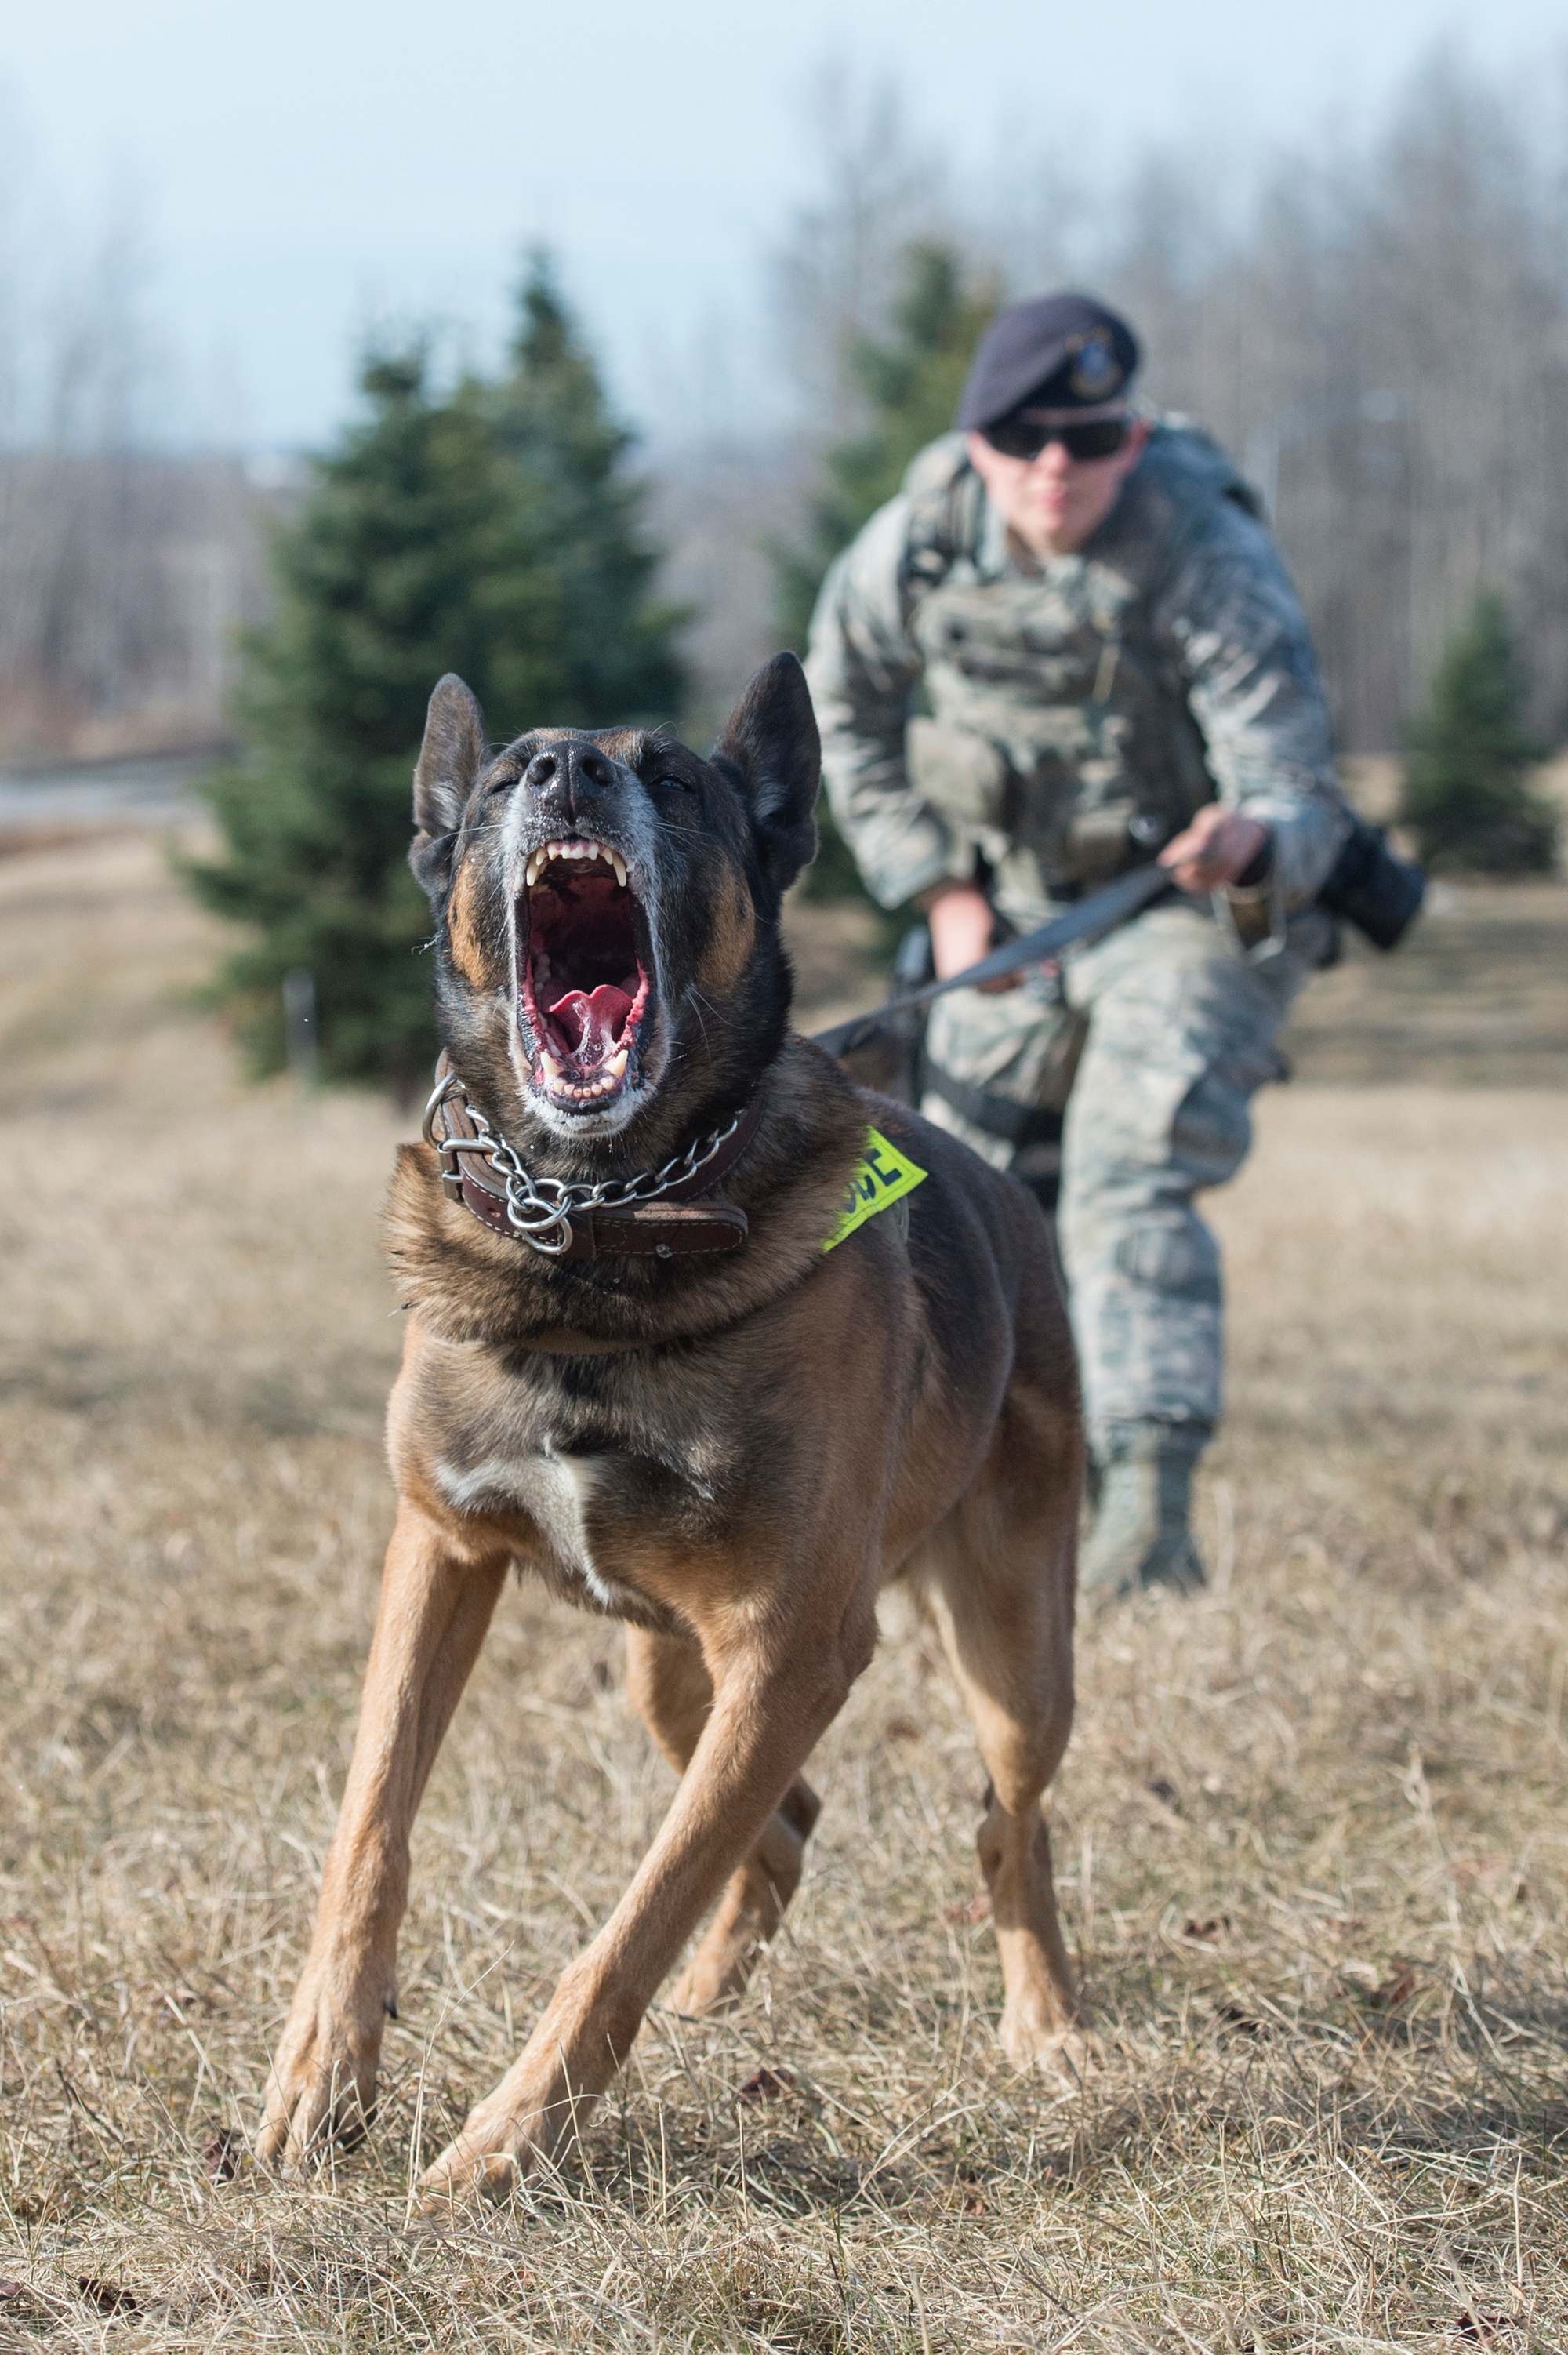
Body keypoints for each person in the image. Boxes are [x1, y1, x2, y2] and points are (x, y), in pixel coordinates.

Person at [804, 292, 1349, 1602]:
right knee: (951, 1194)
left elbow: (1297, 785)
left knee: (1125, 1174)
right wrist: (935, 887)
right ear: (980, 441)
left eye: (1092, 440)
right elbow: (838, 712)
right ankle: (948, 1478)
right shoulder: (921, 539)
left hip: (1182, 911)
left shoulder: (1205, 549)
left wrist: (1255, 840)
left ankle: (1145, 1522)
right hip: (1005, 919)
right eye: (1026, 438)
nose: (1058, 468)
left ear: (1135, 435)